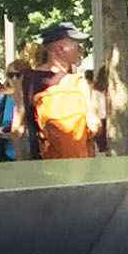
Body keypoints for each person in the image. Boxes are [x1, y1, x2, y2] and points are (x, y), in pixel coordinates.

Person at [28, 22, 102, 159]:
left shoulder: (28, 79)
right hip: (78, 161)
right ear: (60, 48)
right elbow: (94, 125)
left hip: (41, 162)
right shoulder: (79, 84)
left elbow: (20, 127)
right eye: (75, 44)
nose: (80, 50)